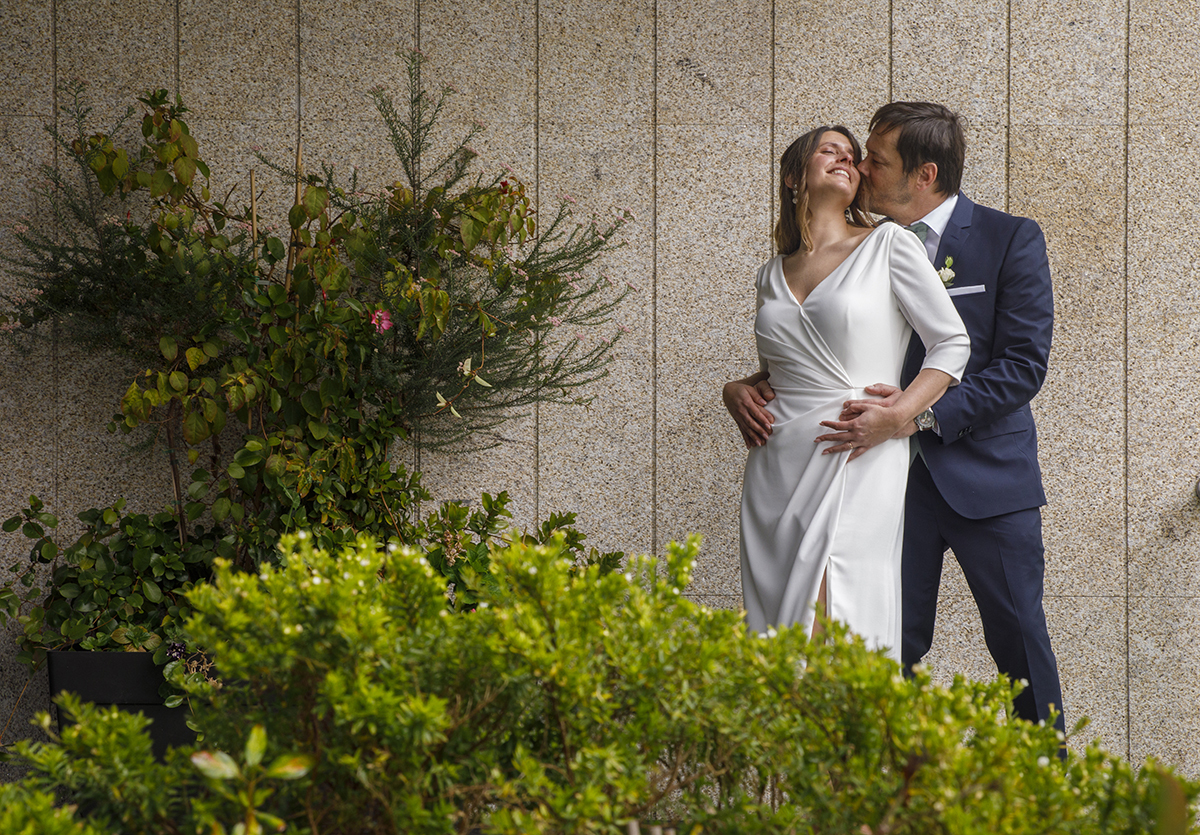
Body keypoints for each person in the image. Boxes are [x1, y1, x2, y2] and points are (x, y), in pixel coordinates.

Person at [728, 102, 1065, 731]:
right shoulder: (835, 254)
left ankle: (1050, 801)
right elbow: (830, 353)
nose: (861, 167)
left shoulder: (1007, 238)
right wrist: (743, 386)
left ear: (924, 174)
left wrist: (914, 418)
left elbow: (1022, 366)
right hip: (879, 477)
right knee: (884, 645)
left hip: (985, 480)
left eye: (875, 160)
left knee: (1020, 644)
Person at [725, 125, 969, 661]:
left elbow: (951, 344)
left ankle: (844, 743)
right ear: (794, 176)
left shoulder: (888, 244)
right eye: (827, 150)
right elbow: (782, 368)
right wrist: (733, 390)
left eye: (852, 155)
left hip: (857, 448)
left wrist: (897, 415)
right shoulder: (770, 275)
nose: (845, 159)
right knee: (776, 633)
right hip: (776, 463)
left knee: (837, 609)